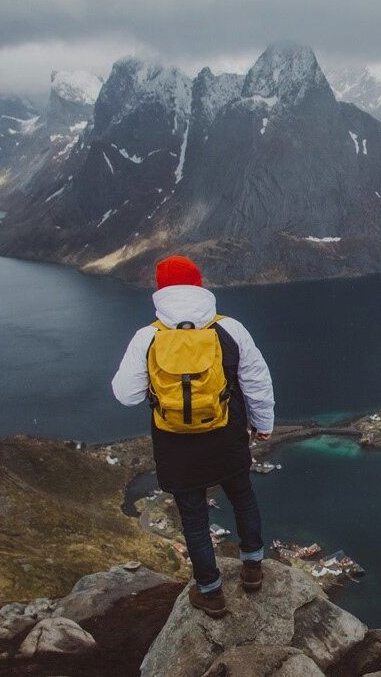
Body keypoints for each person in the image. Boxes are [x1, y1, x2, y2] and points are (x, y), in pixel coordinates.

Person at [111, 255, 274, 617]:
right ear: (200, 286)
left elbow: (126, 395)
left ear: (160, 290)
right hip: (226, 435)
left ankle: (210, 591)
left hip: (175, 445)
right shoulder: (230, 328)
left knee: (194, 517)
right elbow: (257, 383)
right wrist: (263, 425)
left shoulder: (148, 336)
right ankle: (252, 569)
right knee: (242, 496)